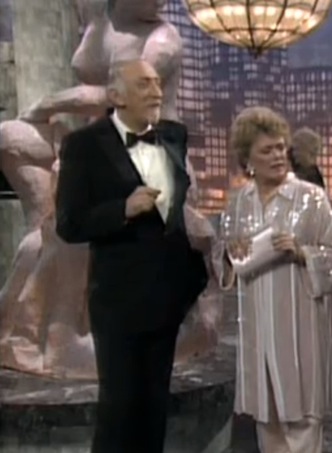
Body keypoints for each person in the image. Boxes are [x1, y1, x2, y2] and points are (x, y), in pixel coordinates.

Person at [55, 59, 208, 453]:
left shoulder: (174, 135)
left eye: (157, 83)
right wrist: (122, 209)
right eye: (144, 84)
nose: (156, 91)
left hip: (168, 296)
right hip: (119, 302)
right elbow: (69, 224)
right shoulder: (84, 145)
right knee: (119, 414)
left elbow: (173, 211)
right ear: (116, 95)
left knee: (155, 411)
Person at [219, 106, 332, 453]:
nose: (277, 156)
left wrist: (301, 252)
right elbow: (223, 261)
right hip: (257, 327)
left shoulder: (311, 198)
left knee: (302, 421)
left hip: (300, 325)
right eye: (267, 150)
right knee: (268, 418)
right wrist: (230, 252)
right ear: (248, 160)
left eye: (280, 148)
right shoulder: (238, 203)